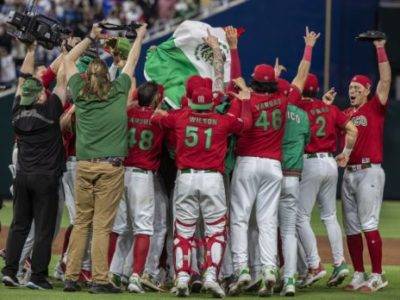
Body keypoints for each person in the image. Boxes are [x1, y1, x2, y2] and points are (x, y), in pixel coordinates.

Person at [228, 27, 319, 297]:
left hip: (247, 163)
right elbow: (302, 77)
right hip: (273, 167)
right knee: (268, 221)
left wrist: (234, 46)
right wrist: (308, 48)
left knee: (241, 219)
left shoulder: (248, 97)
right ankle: (269, 269)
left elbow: (235, 79)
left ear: (254, 81)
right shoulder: (283, 99)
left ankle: (242, 268)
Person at [62, 23, 147, 294]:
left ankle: (71, 276)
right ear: (106, 76)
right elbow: (132, 61)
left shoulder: (80, 93)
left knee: (81, 223)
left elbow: (67, 59)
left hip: (84, 166)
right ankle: (99, 279)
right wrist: (141, 36)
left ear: (86, 76)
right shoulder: (118, 90)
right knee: (101, 226)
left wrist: (90, 37)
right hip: (110, 167)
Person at [153, 85, 252, 298]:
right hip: (212, 179)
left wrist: (161, 112)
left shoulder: (179, 116)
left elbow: (156, 119)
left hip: (186, 177)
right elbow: (244, 124)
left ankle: (182, 278)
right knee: (215, 231)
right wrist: (242, 100)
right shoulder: (222, 120)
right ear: (210, 103)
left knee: (184, 231)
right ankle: (210, 277)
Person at [1, 41, 67, 290]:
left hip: (23, 176)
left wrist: (29, 51)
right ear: (39, 96)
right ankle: (38, 276)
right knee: (44, 229)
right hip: (45, 178)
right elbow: (62, 82)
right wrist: (65, 54)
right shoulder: (50, 111)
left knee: (19, 226)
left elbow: (22, 82)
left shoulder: (17, 112)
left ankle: (9, 271)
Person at [295, 73, 358, 288]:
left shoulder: (299, 108)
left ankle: (315, 264)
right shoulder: (331, 109)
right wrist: (346, 154)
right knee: (330, 215)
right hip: (331, 162)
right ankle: (340, 263)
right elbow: (353, 129)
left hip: (310, 162)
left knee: (300, 216)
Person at [339, 39, 391, 293]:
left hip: (370, 171)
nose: (353, 90)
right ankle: (359, 272)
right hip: (349, 172)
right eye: (350, 87)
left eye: (357, 87)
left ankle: (378, 274)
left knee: (368, 223)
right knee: (350, 225)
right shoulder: (346, 112)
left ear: (367, 89)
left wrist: (380, 47)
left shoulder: (374, 106)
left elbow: (386, 80)